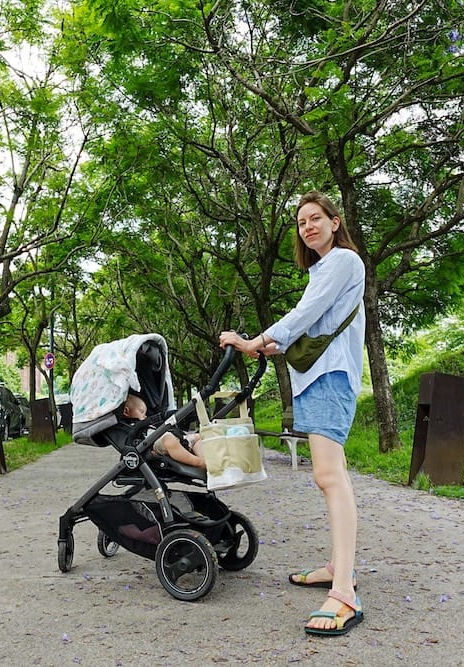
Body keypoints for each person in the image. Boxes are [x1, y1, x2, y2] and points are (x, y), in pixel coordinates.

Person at [219, 190, 365, 637]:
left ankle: (344, 594)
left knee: (328, 476)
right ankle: (339, 567)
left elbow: (307, 313)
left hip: (330, 378)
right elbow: (313, 321)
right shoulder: (325, 269)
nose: (309, 227)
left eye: (316, 218)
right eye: (302, 223)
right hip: (319, 377)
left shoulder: (342, 261)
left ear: (335, 221)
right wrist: (270, 343)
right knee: (333, 473)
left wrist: (254, 341)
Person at [122, 393, 205, 468]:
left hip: (179, 438)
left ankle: (205, 461)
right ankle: (198, 462)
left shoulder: (147, 423)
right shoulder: (133, 427)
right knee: (168, 440)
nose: (145, 416)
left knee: (200, 437)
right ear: (126, 411)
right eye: (141, 412)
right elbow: (129, 445)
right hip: (157, 443)